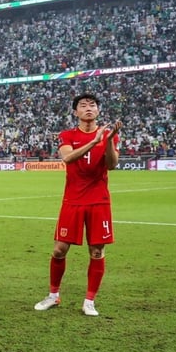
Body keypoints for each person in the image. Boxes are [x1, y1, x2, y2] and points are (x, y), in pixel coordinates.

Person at [34, 93, 121, 317]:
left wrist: (109, 140)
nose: (88, 108)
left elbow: (111, 165)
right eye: (83, 105)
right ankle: (53, 295)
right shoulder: (67, 135)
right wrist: (94, 141)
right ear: (76, 112)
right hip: (72, 200)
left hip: (98, 200)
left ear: (98, 111)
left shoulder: (108, 135)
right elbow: (68, 158)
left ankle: (89, 301)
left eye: (92, 105)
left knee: (97, 251)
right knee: (59, 249)